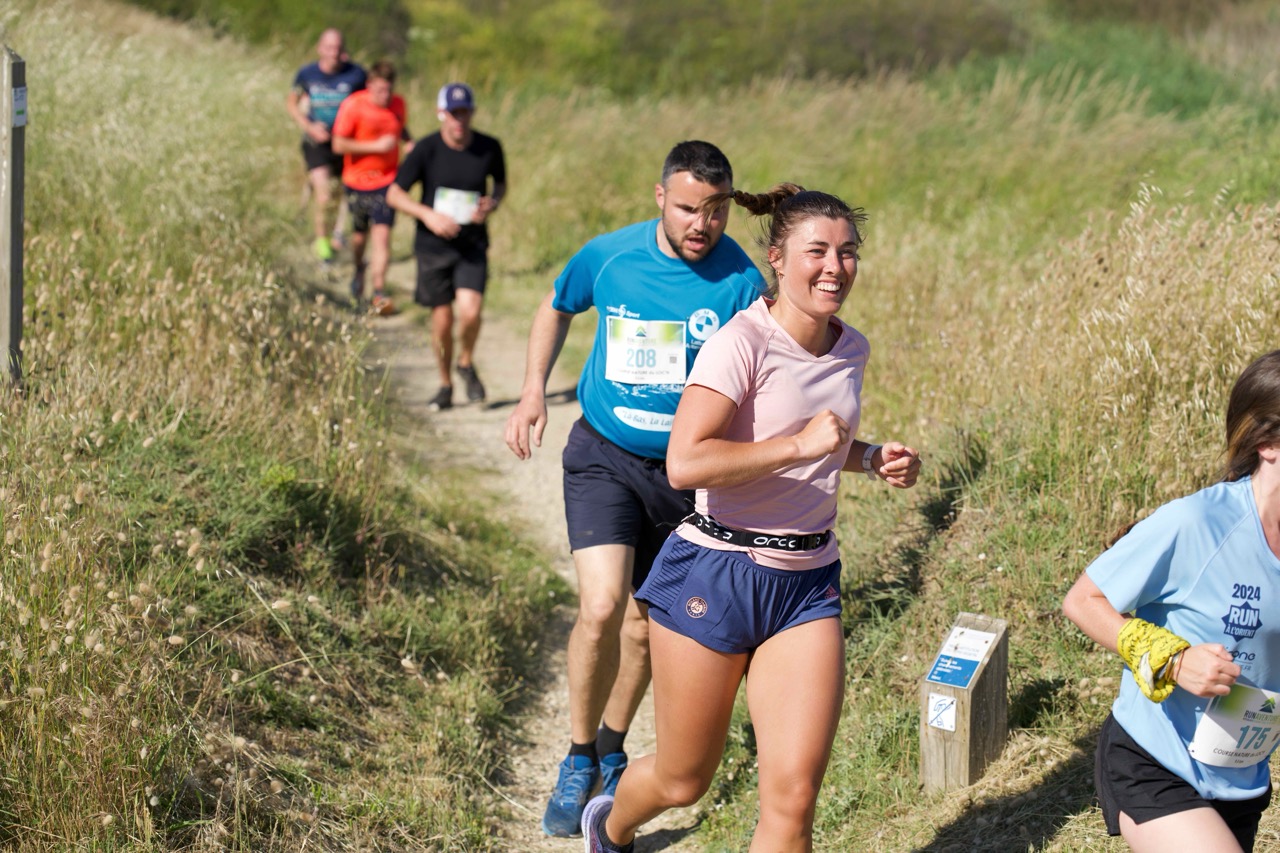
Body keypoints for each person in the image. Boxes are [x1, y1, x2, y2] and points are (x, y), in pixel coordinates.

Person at [577, 184, 922, 853]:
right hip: (718, 570)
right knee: (683, 779)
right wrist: (798, 446)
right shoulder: (740, 343)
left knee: (793, 802)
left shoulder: (851, 348)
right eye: (817, 251)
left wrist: (871, 457)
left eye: (848, 252)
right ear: (777, 258)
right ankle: (609, 825)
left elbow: (823, 442)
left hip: (807, 583)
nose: (835, 267)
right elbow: (686, 462)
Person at [503, 141, 767, 837]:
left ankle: (614, 747)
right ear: (660, 198)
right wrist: (532, 390)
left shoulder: (742, 281)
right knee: (600, 607)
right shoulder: (611, 256)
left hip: (686, 477)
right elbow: (556, 305)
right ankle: (577, 756)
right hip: (606, 457)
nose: (701, 224)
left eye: (715, 211)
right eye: (687, 208)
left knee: (646, 625)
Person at [1062, 349, 1280, 853]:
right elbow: (1083, 599)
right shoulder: (1197, 523)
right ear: (1268, 443)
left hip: (1241, 776)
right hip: (1154, 763)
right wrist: (1174, 660)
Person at [387, 83, 506, 410]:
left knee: (471, 312)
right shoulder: (426, 149)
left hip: (471, 244)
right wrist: (427, 215)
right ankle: (445, 383)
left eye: (464, 112)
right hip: (433, 246)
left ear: (472, 113)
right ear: (441, 113)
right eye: (453, 113)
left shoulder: (489, 147)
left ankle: (465, 362)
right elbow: (394, 194)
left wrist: (491, 204)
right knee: (442, 321)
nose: (459, 120)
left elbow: (500, 184)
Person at [331, 60, 410, 315]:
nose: (384, 96)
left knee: (382, 236)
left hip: (387, 182)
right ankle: (358, 271)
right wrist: (375, 147)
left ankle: (378, 293)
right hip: (357, 182)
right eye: (379, 90)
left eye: (388, 90)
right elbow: (338, 144)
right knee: (359, 237)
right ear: (369, 86)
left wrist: (409, 142)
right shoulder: (353, 105)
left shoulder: (399, 104)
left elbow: (400, 127)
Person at [286, 29, 366, 263]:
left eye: (338, 48)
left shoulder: (357, 74)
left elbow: (368, 103)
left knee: (341, 194)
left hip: (346, 143)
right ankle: (323, 245)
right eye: (329, 48)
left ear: (344, 51)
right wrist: (309, 126)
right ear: (320, 49)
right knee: (325, 194)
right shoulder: (307, 74)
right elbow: (292, 103)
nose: (334, 53)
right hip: (316, 142)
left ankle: (335, 235)